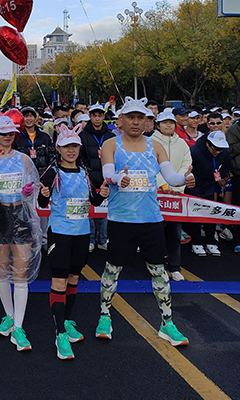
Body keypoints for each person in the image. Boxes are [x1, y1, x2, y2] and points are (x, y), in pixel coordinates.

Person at [97, 98, 195, 346]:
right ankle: (104, 316)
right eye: (130, 117)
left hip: (151, 219)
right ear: (120, 120)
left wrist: (184, 178)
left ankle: (167, 323)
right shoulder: (111, 144)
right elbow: (107, 173)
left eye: (140, 118)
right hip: (121, 219)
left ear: (148, 121)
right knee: (112, 269)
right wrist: (117, 178)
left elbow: (170, 177)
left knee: (158, 271)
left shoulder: (155, 146)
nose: (135, 122)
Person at [39, 124, 109, 359]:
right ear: (58, 149)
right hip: (60, 233)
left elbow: (93, 201)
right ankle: (59, 333)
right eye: (66, 146)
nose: (71, 151)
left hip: (81, 234)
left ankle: (67, 321)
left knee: (73, 279)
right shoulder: (53, 172)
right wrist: (43, 195)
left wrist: (102, 195)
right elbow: (41, 201)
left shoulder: (85, 171)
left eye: (75, 147)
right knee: (59, 282)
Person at [0, 115, 41, 351]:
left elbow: (34, 188)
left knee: (21, 271)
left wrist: (29, 191)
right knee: (2, 269)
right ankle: (9, 315)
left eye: (11, 133)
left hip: (21, 214)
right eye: (2, 133)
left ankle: (18, 326)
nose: (7, 136)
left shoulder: (23, 159)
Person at [151, 110, 192, 280]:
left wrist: (177, 183)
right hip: (156, 194)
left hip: (176, 194)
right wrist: (163, 184)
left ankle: (174, 267)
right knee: (156, 233)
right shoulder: (150, 142)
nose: (168, 125)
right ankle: (158, 266)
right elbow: (150, 166)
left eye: (171, 122)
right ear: (158, 125)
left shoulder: (181, 143)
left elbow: (187, 164)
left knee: (175, 233)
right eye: (165, 123)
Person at [186, 129, 231, 257]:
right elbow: (187, 168)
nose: (217, 152)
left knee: (210, 213)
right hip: (195, 185)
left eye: (220, 149)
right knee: (195, 214)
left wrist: (220, 175)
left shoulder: (224, 152)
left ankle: (211, 241)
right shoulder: (194, 151)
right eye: (215, 149)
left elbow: (227, 165)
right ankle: (196, 242)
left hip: (210, 185)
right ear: (208, 144)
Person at [80, 103, 115, 252]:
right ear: (90, 116)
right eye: (94, 115)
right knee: (89, 211)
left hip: (106, 178)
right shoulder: (83, 135)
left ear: (103, 116)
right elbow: (80, 156)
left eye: (99, 115)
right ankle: (90, 239)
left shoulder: (111, 136)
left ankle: (102, 239)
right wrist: (86, 171)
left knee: (104, 211)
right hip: (89, 178)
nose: (97, 118)